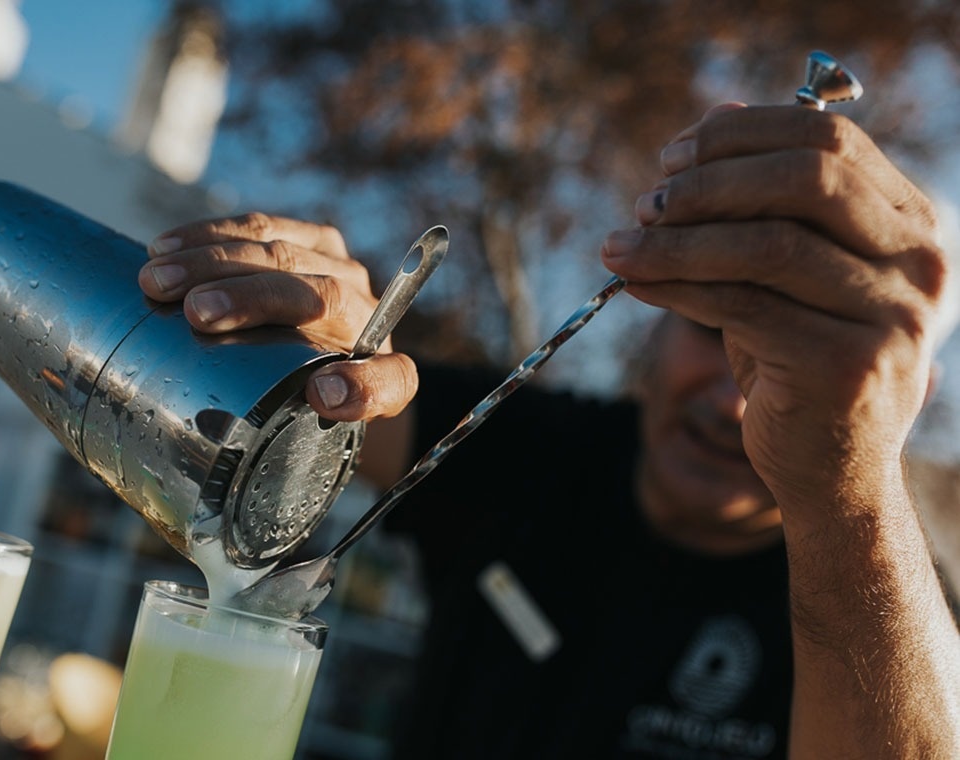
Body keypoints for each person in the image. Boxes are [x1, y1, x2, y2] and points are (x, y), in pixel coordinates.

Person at [134, 103, 960, 758]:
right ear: (652, 330)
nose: (736, 403)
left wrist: (844, 497)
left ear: (893, 399)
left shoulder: (897, 601)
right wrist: (300, 353)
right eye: (720, 332)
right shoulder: (534, 449)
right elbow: (318, 417)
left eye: (795, 366)